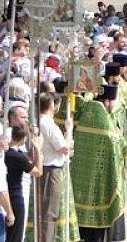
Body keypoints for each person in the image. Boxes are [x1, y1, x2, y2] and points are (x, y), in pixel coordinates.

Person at [72, 85, 126, 242]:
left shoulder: (85, 116)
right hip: (100, 183)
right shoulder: (106, 124)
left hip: (80, 185)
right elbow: (120, 147)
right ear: (108, 101)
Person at [38, 91, 74, 242]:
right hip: (51, 169)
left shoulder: (41, 121)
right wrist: (69, 130)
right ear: (53, 105)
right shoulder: (47, 123)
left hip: (46, 166)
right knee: (49, 211)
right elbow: (63, 148)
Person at [5, 124, 42, 242]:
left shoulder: (4, 153)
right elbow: (38, 172)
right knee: (16, 235)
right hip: (16, 198)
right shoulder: (18, 157)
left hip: (4, 196)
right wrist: (38, 150)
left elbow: (30, 163)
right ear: (24, 139)